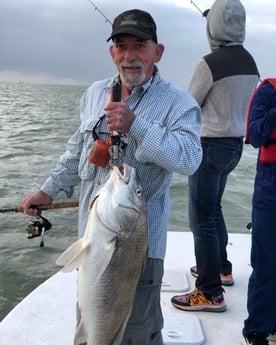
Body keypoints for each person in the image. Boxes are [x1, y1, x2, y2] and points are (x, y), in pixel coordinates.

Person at [20, 9, 202, 345]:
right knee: (89, 325)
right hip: (91, 242)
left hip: (138, 249)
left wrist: (137, 125)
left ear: (157, 51)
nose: (130, 56)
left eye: (140, 46)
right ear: (111, 52)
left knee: (136, 334)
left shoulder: (179, 103)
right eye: (121, 46)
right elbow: (76, 150)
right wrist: (48, 190)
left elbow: (189, 159)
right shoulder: (94, 93)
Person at [171, 0, 259, 312]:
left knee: (201, 218)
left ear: (215, 25)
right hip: (235, 146)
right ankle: (221, 267)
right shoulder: (250, 62)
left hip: (208, 147)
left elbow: (188, 105)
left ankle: (209, 291)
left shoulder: (209, 62)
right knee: (214, 210)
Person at [241, 79, 276, 345]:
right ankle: (258, 329)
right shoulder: (268, 91)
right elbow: (255, 136)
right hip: (270, 185)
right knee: (266, 260)